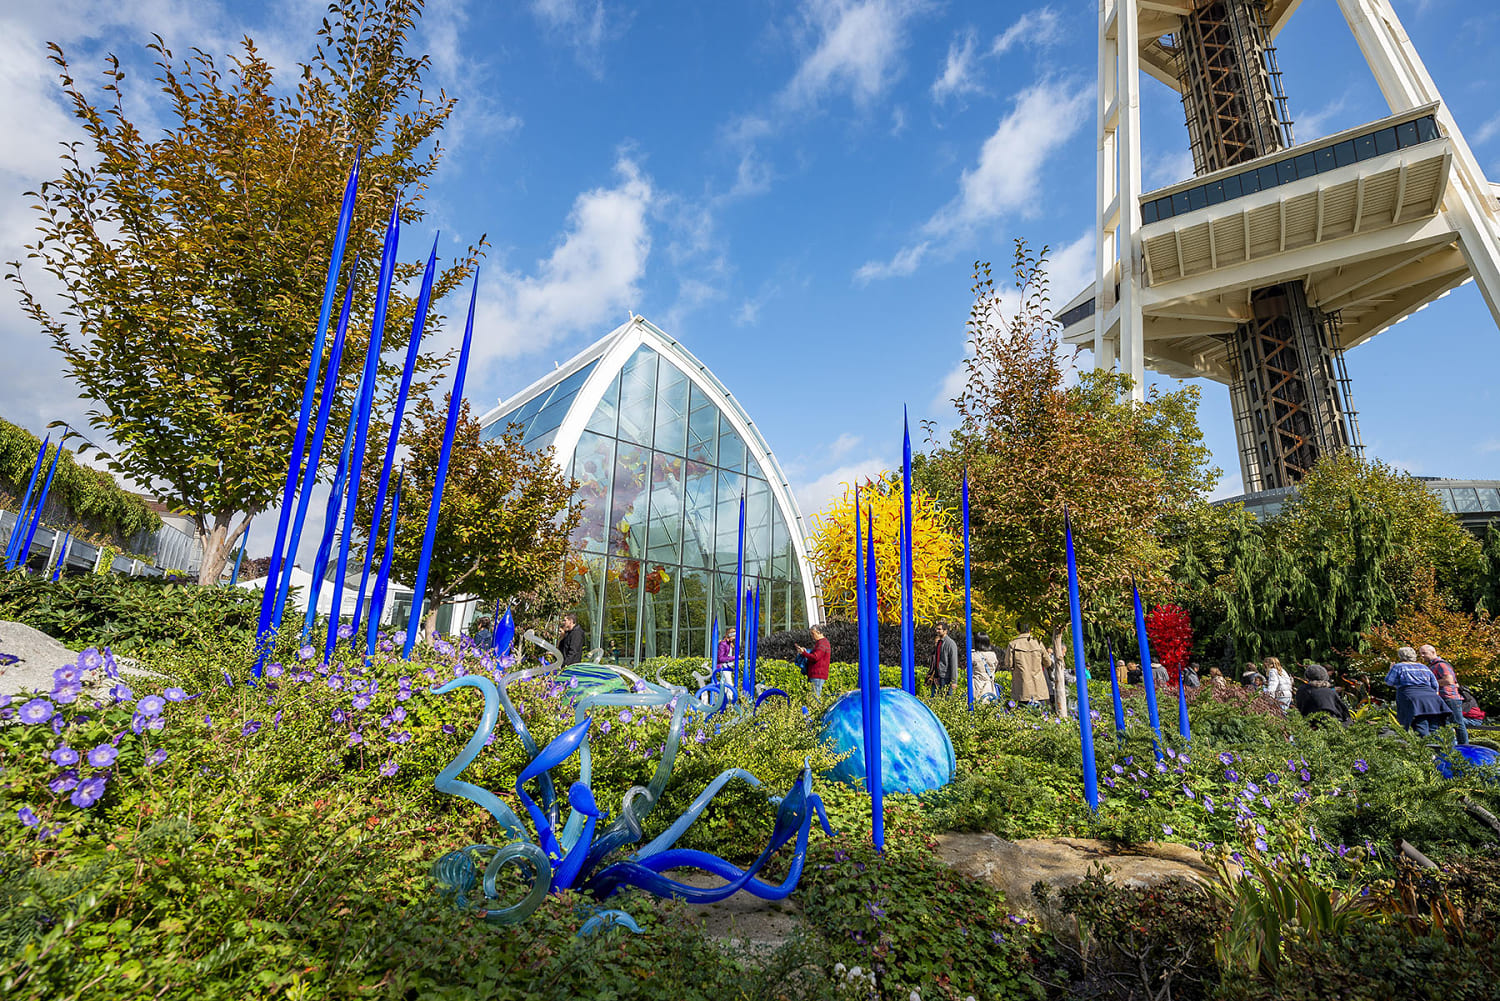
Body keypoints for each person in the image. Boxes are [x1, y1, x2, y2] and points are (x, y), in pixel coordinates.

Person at [1385, 646, 1452, 737]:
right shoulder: (1423, 667)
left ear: (1400, 656)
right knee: (1435, 727)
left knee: (1420, 725)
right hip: (1432, 699)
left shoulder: (1398, 667)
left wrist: (1390, 670)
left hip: (1412, 698)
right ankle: (1439, 749)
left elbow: (1389, 682)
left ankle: (1426, 749)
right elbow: (1435, 685)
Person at [1419, 644, 1469, 745]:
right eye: (1420, 654)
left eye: (1424, 653)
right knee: (1443, 725)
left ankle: (1464, 747)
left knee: (1457, 724)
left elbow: (1449, 680)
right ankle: (1448, 748)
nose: (1422, 656)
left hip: (1449, 698)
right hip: (1440, 699)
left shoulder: (1441, 665)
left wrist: (1431, 683)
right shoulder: (1431, 666)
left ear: (1433, 652)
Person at [1004, 620, 1053, 707]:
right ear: (1030, 629)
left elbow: (1008, 664)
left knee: (1023, 714)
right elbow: (1048, 662)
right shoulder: (1038, 642)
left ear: (1018, 629)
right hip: (1038, 685)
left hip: (1022, 686)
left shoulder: (1013, 644)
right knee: (1041, 714)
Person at [795, 624, 832, 698]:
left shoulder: (822, 643)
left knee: (815, 697)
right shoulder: (821, 643)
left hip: (817, 674)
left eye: (813, 633)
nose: (812, 636)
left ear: (819, 632)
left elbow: (815, 657)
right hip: (816, 674)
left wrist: (804, 653)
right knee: (813, 696)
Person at [928, 621, 960, 696]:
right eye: (936, 629)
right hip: (938, 676)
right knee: (935, 699)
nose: (937, 631)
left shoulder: (950, 644)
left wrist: (954, 681)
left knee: (946, 698)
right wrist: (935, 675)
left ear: (945, 631)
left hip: (946, 677)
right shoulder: (939, 643)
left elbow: (953, 663)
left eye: (939, 629)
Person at [972, 633, 1000, 701]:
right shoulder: (993, 655)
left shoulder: (973, 655)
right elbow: (995, 667)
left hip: (977, 685)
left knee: (977, 705)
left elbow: (969, 670)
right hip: (990, 686)